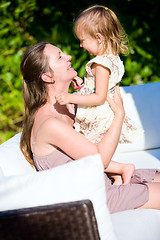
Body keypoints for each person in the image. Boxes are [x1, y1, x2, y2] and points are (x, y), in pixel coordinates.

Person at [20, 41, 160, 214]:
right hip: (92, 196)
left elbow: (85, 146)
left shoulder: (68, 105)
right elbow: (99, 160)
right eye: (60, 56)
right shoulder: (50, 123)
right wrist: (119, 115)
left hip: (101, 180)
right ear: (48, 76)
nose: (68, 57)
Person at [56, 5, 144, 146]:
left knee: (90, 152)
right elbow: (100, 89)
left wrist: (69, 97)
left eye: (82, 40)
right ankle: (120, 168)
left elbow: (99, 97)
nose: (80, 45)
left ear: (98, 38)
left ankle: (122, 169)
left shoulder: (100, 64)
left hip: (98, 116)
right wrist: (82, 86)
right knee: (98, 153)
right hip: (107, 113)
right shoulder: (114, 59)